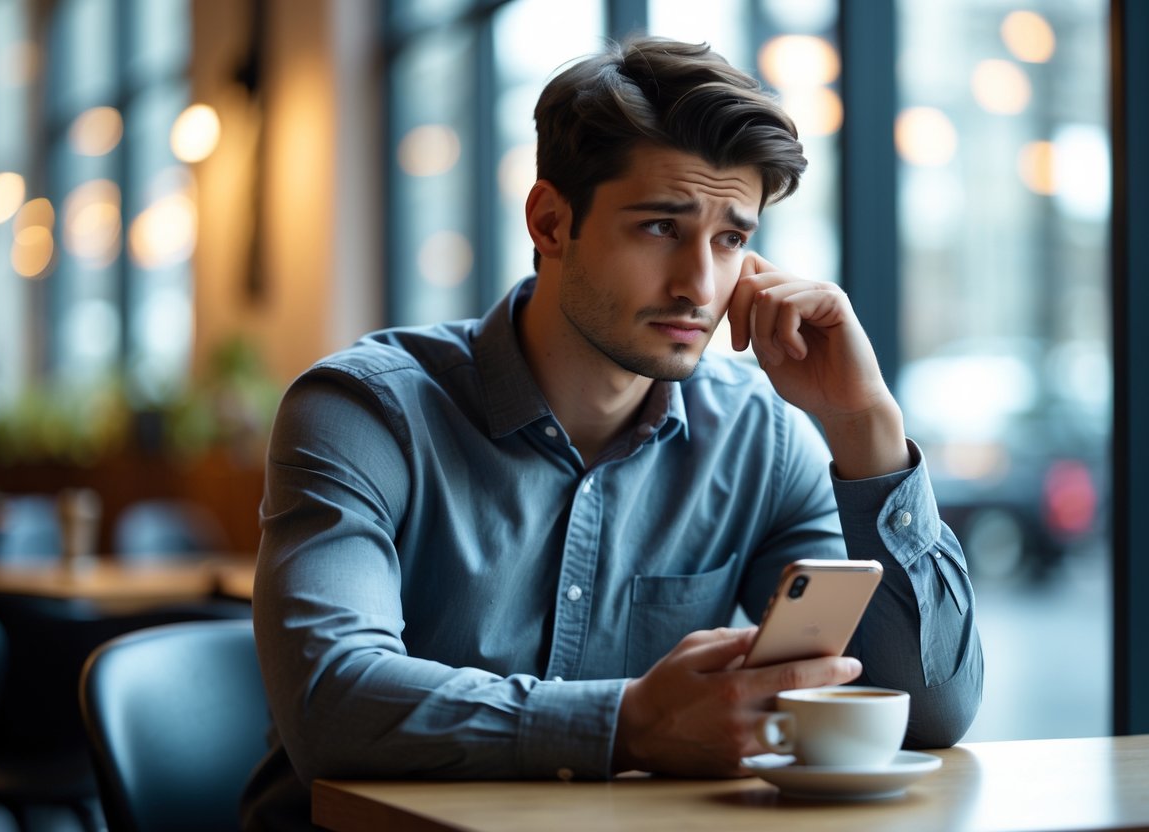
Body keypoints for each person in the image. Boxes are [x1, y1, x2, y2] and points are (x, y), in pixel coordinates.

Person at [242, 35, 983, 831]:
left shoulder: (758, 437)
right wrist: (630, 722)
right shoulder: (364, 412)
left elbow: (927, 711)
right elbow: (330, 702)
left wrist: (864, 427)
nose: (699, 284)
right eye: (661, 227)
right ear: (551, 222)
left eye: (730, 238)